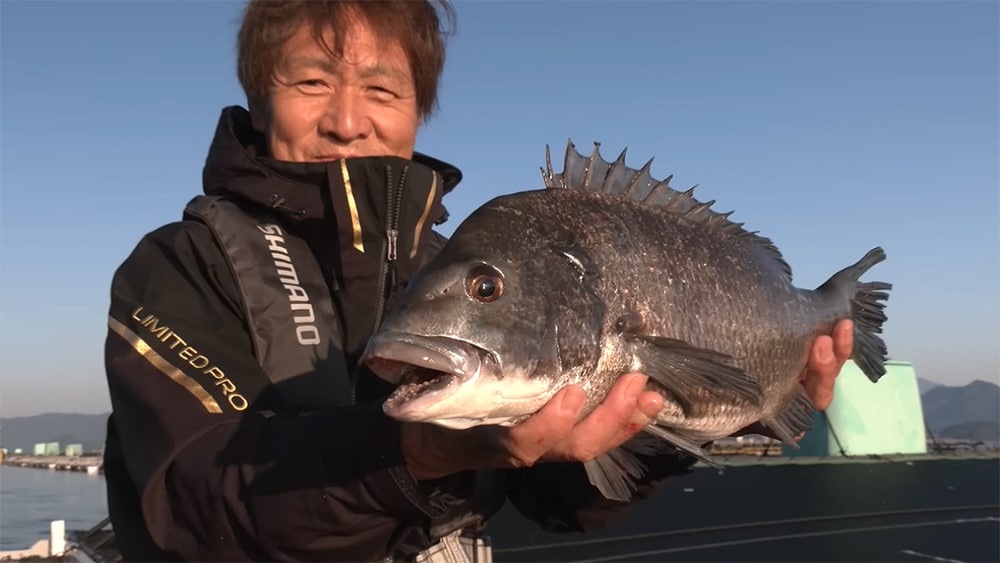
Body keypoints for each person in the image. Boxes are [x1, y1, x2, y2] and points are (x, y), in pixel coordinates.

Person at [101, 1, 855, 561]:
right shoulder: (180, 264)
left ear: (418, 113)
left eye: (383, 91)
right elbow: (191, 500)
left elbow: (559, 501)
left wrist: (671, 425)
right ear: (259, 94)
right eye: (310, 81)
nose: (346, 119)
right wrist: (413, 454)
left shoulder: (441, 258)